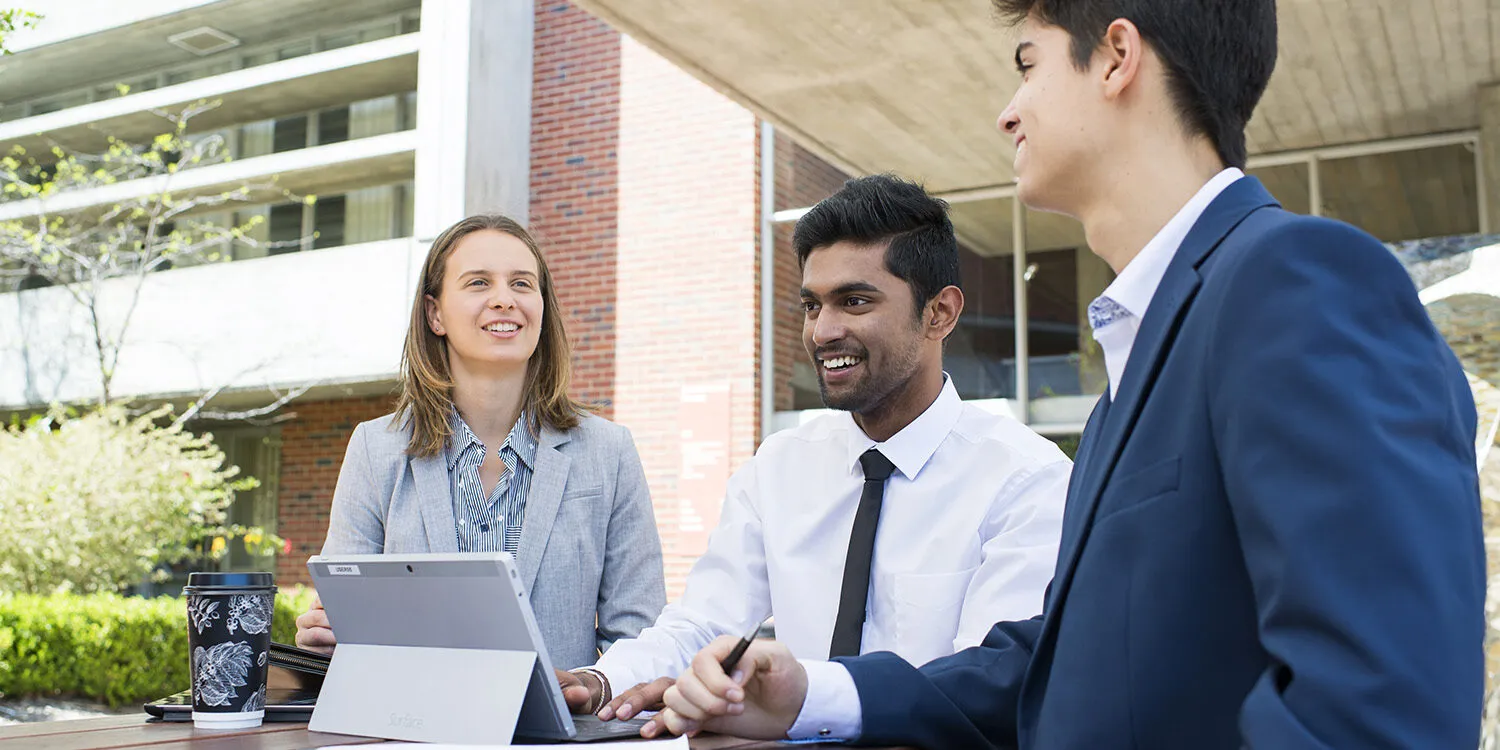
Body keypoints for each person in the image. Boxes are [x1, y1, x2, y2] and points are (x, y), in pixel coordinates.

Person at [654, 1, 1486, 747]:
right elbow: (1050, 666)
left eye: (1029, 63)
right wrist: (814, 696)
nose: (1007, 111)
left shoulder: (1297, 280)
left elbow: (1380, 709)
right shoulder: (1142, 363)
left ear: (1118, 57)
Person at [557, 173, 1072, 724]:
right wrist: (601, 679)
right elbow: (704, 624)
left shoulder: (1028, 481)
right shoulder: (778, 467)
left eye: (854, 301)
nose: (822, 331)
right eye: (811, 305)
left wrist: (806, 697)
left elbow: (988, 685)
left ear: (938, 313)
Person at [295, 214, 666, 675]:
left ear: (542, 307)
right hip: (412, 731)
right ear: (435, 314)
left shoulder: (608, 452)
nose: (504, 300)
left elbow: (640, 638)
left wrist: (595, 686)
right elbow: (341, 619)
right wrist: (325, 637)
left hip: (557, 740)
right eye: (478, 283)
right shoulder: (376, 448)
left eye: (522, 284)